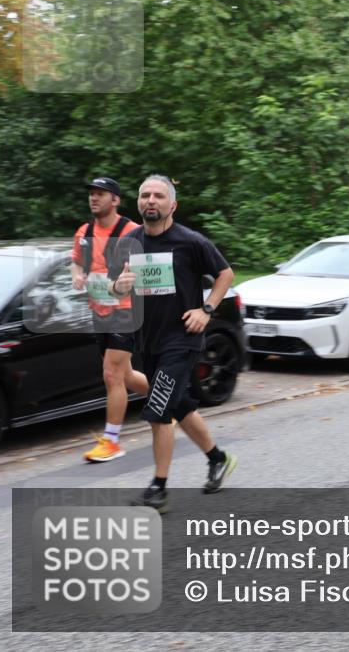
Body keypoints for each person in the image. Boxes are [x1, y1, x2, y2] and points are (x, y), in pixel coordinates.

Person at [109, 175, 237, 513]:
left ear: (173, 205)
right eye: (145, 195)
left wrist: (206, 310)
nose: (151, 200)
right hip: (147, 340)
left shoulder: (190, 241)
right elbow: (115, 288)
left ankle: (159, 488)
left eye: (159, 196)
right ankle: (218, 458)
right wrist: (119, 287)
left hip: (182, 340)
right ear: (138, 202)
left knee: (158, 411)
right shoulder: (130, 241)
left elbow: (225, 274)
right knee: (178, 403)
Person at [70, 177, 149, 462]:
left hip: (127, 310)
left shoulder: (132, 231)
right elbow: (77, 260)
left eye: (101, 194)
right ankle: (172, 403)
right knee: (125, 375)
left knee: (112, 375)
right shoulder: (84, 231)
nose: (94, 198)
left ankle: (112, 441)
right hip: (99, 310)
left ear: (115, 200)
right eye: (91, 194)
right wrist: (77, 274)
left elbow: (151, 266)